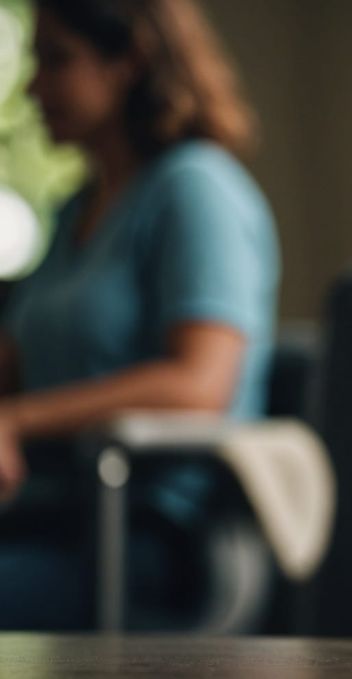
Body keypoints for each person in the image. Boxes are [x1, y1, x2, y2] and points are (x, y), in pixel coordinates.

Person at [0, 0, 277, 629]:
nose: (33, 86)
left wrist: (15, 420)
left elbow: (198, 386)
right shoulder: (75, 211)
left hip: (149, 539)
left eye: (57, 59)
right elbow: (15, 359)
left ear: (130, 60)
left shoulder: (195, 188)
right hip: (45, 519)